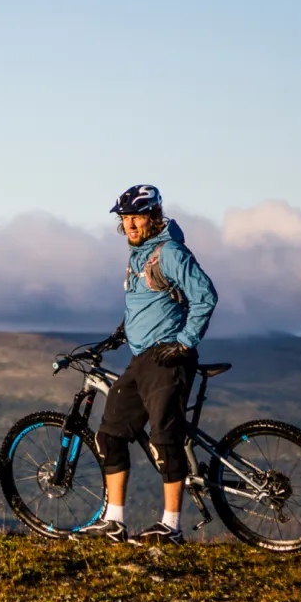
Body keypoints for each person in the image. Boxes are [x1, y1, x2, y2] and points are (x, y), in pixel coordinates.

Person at [82, 184, 218, 545]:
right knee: (109, 435)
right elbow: (147, 305)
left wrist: (184, 343)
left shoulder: (169, 253)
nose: (130, 224)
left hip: (167, 358)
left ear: (154, 217)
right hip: (141, 358)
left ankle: (171, 526)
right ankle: (114, 522)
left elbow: (205, 296)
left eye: (137, 217)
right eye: (125, 218)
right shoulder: (138, 255)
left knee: (164, 439)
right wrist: (121, 334)